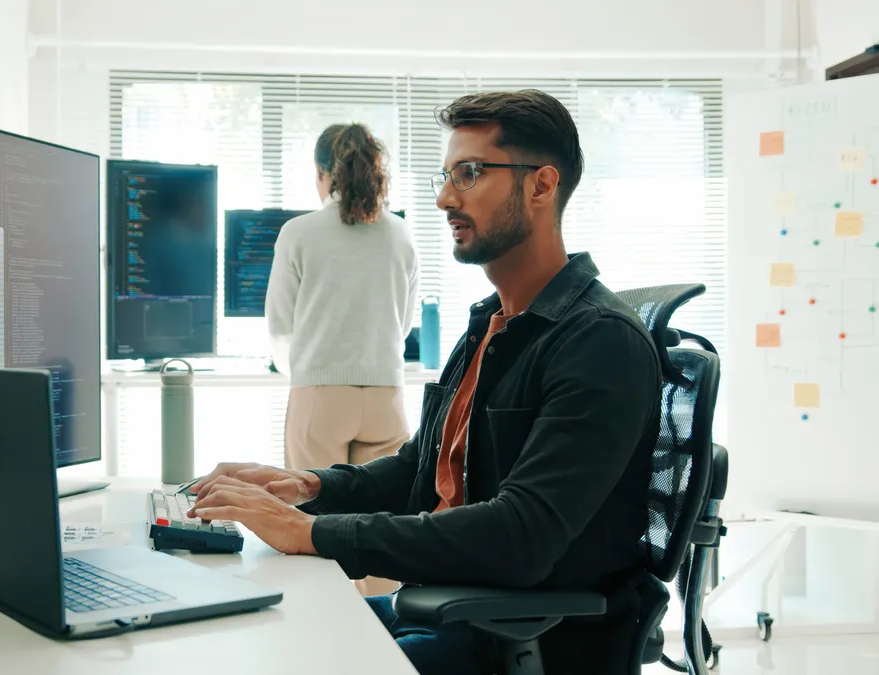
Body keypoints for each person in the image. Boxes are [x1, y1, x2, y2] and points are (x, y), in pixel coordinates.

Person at [188, 90, 662, 675]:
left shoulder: (600, 342)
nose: (443, 198)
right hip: (454, 609)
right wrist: (308, 486)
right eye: (445, 175)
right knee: (257, 635)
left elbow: (521, 534)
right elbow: (421, 470)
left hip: (520, 641)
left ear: (541, 186)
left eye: (469, 173)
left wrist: (309, 533)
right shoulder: (494, 324)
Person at [264, 123, 419, 596]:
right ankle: (386, 647)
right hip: (386, 395)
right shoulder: (401, 234)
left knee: (314, 530)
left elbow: (279, 325)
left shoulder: (300, 233)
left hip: (320, 395)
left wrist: (301, 370)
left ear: (322, 172)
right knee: (382, 532)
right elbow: (406, 322)